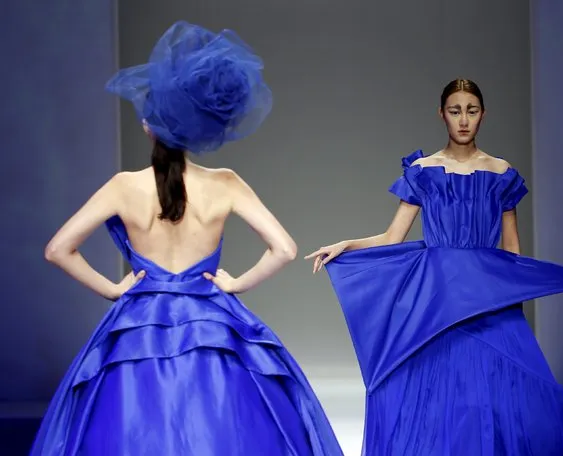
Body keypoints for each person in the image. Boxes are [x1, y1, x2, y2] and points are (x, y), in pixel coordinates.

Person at [31, 21, 343, 456]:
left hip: (137, 325)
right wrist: (236, 284)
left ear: (147, 126)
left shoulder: (123, 186)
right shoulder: (226, 183)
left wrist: (113, 289)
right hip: (214, 323)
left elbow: (56, 249)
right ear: (196, 126)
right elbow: (285, 249)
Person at [305, 78, 563, 455]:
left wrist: (513, 306)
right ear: (441, 115)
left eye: (472, 110)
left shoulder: (501, 174)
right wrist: (345, 245)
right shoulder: (423, 170)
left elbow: (512, 253)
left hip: (487, 301)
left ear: (483, 115)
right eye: (455, 111)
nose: (463, 120)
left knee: (501, 398)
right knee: (438, 398)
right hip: (438, 302)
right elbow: (390, 238)